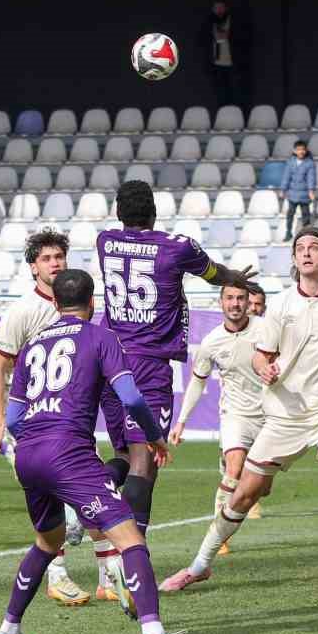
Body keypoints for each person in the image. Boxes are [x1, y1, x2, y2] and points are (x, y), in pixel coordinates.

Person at [162, 228, 318, 597]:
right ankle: (199, 566)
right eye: (300, 248)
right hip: (283, 416)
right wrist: (263, 366)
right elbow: (261, 355)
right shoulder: (280, 305)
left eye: (314, 247)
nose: (306, 253)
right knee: (243, 496)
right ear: (294, 259)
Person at [0, 268, 199, 634]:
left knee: (47, 542)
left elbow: (15, 419)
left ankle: (9, 628)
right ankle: (153, 631)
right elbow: (132, 398)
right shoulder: (101, 336)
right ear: (94, 303)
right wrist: (155, 437)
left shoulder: (33, 344)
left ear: (55, 303)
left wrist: (36, 446)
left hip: (27, 454)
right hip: (67, 452)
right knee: (130, 539)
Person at [96, 181, 254, 572]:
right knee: (143, 463)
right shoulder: (176, 246)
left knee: (120, 456)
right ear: (153, 211)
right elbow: (213, 272)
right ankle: (131, 560)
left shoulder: (105, 242)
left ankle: (81, 503)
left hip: (109, 359)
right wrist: (236, 276)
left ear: (118, 213)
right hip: (148, 366)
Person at [0, 228, 92, 606]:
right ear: (33, 267)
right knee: (53, 497)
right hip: (25, 421)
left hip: (65, 420)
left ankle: (107, 574)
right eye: (46, 258)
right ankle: (57, 575)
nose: (55, 264)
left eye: (59, 257)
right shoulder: (23, 311)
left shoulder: (81, 305)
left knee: (71, 497)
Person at [170, 282, 267, 524]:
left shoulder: (266, 330)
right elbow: (197, 382)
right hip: (235, 414)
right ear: (221, 302)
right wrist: (181, 422)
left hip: (269, 414)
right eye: (230, 298)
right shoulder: (211, 342)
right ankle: (218, 531)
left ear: (248, 302)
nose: (235, 304)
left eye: (241, 298)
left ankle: (241, 476)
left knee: (261, 486)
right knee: (234, 471)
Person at [280, 139, 317, 240]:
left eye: (303, 149)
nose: (301, 151)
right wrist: (283, 189)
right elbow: (286, 177)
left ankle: (306, 233)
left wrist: (311, 191)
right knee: (290, 214)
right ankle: (288, 232)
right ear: (294, 151)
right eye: (298, 149)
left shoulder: (309, 163)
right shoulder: (290, 163)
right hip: (292, 194)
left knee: (306, 214)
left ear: (306, 151)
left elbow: (311, 178)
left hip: (304, 194)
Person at [207, 0, 237, 108]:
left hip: (232, 60)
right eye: (216, 8)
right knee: (219, 91)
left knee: (233, 90)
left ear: (226, 9)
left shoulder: (233, 21)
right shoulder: (210, 22)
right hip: (216, 61)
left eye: (221, 7)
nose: (219, 10)